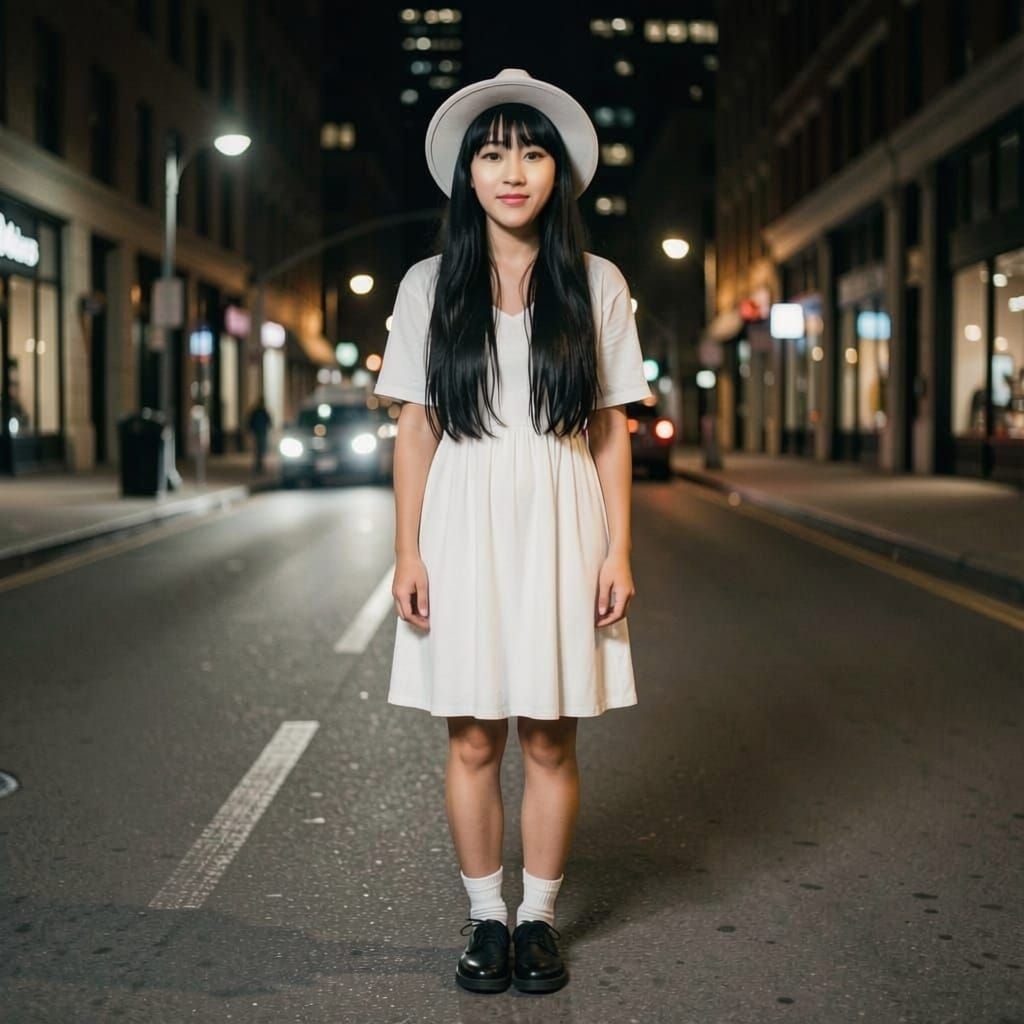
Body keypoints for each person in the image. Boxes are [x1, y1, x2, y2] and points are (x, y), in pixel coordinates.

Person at [373, 69, 652, 996]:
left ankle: (538, 920)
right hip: (461, 513)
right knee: (471, 738)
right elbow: (417, 424)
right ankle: (484, 917)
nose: (513, 171)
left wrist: (618, 546)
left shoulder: (597, 282)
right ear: (468, 174)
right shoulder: (427, 284)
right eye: (493, 153)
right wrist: (408, 548)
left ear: (557, 172)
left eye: (531, 152)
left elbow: (610, 425)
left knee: (549, 737)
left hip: (564, 512)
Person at [246, 397, 272, 473]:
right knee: (258, 450)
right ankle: (258, 466)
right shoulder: (258, 412)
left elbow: (269, 422)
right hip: (258, 433)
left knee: (260, 450)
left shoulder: (263, 412)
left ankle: (259, 466)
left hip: (261, 433)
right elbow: (251, 421)